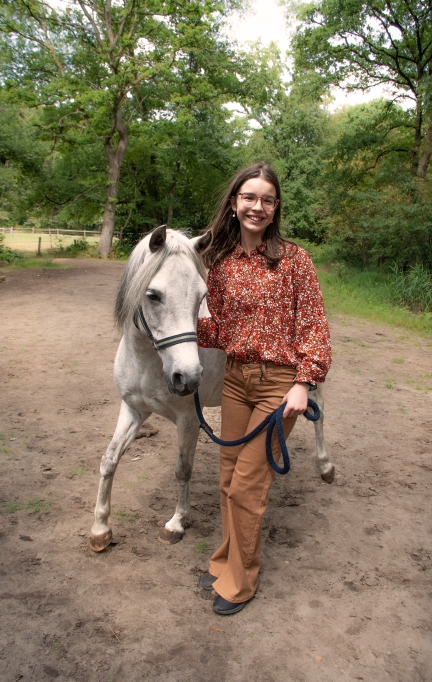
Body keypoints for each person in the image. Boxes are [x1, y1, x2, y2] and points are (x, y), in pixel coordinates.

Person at [196, 163, 331, 615]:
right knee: (227, 478)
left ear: (275, 209)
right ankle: (226, 560)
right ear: (234, 204)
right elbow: (215, 330)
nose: (257, 206)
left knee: (248, 485)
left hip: (278, 385)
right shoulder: (221, 265)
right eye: (249, 197)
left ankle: (242, 581)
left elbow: (313, 326)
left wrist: (303, 383)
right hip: (235, 379)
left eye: (266, 200)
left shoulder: (294, 260)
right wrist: (169, 329)